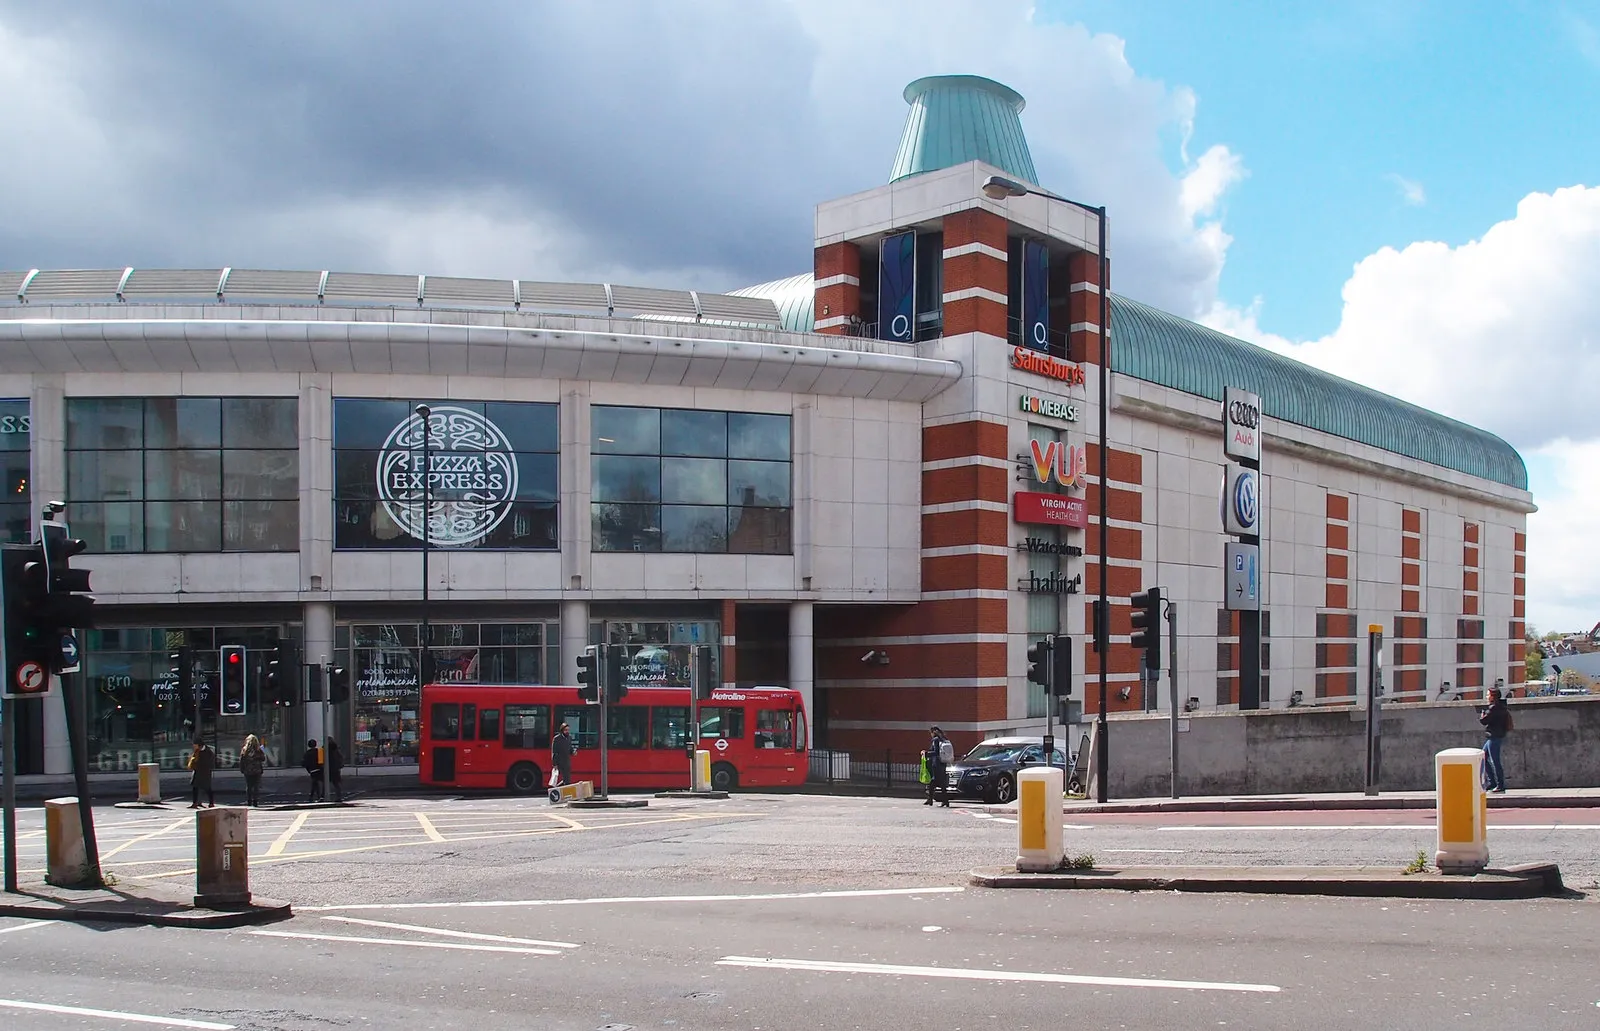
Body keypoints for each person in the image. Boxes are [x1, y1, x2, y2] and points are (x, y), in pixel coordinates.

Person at [1478, 687, 1512, 793]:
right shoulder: (1502, 707)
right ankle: (1492, 782)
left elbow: (1484, 721)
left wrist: (1483, 713)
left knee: (1495, 761)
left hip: (1494, 736)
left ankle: (1500, 785)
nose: (1487, 696)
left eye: (1488, 694)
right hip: (1497, 735)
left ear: (1493, 696)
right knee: (1483, 757)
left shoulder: (1493, 708)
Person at [923, 726, 952, 807]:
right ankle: (943, 800)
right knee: (941, 783)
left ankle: (931, 799)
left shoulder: (935, 740)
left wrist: (926, 753)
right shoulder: (944, 739)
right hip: (943, 763)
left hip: (936, 764)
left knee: (933, 781)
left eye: (931, 733)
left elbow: (936, 752)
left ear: (933, 732)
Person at [186, 738, 216, 809]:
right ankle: (195, 803)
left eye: (195, 745)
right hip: (197, 771)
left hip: (205, 773)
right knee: (195, 787)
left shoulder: (208, 751)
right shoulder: (197, 750)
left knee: (207, 788)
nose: (194, 746)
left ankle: (211, 803)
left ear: (199, 745)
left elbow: (210, 763)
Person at [239, 733, 268, 807]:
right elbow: (263, 758)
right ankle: (255, 801)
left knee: (249, 786)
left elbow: (241, 760)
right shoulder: (258, 750)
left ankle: (249, 801)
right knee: (256, 786)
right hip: (257, 770)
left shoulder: (245, 750)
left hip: (247, 770)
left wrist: (242, 768)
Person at [551, 722, 574, 787]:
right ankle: (556, 790)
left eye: (568, 730)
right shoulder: (557, 738)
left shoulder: (569, 738)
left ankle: (555, 789)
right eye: (566, 730)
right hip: (560, 762)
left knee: (566, 780)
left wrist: (573, 752)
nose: (567, 731)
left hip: (567, 761)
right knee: (566, 781)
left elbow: (570, 748)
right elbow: (554, 751)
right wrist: (554, 764)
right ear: (562, 730)